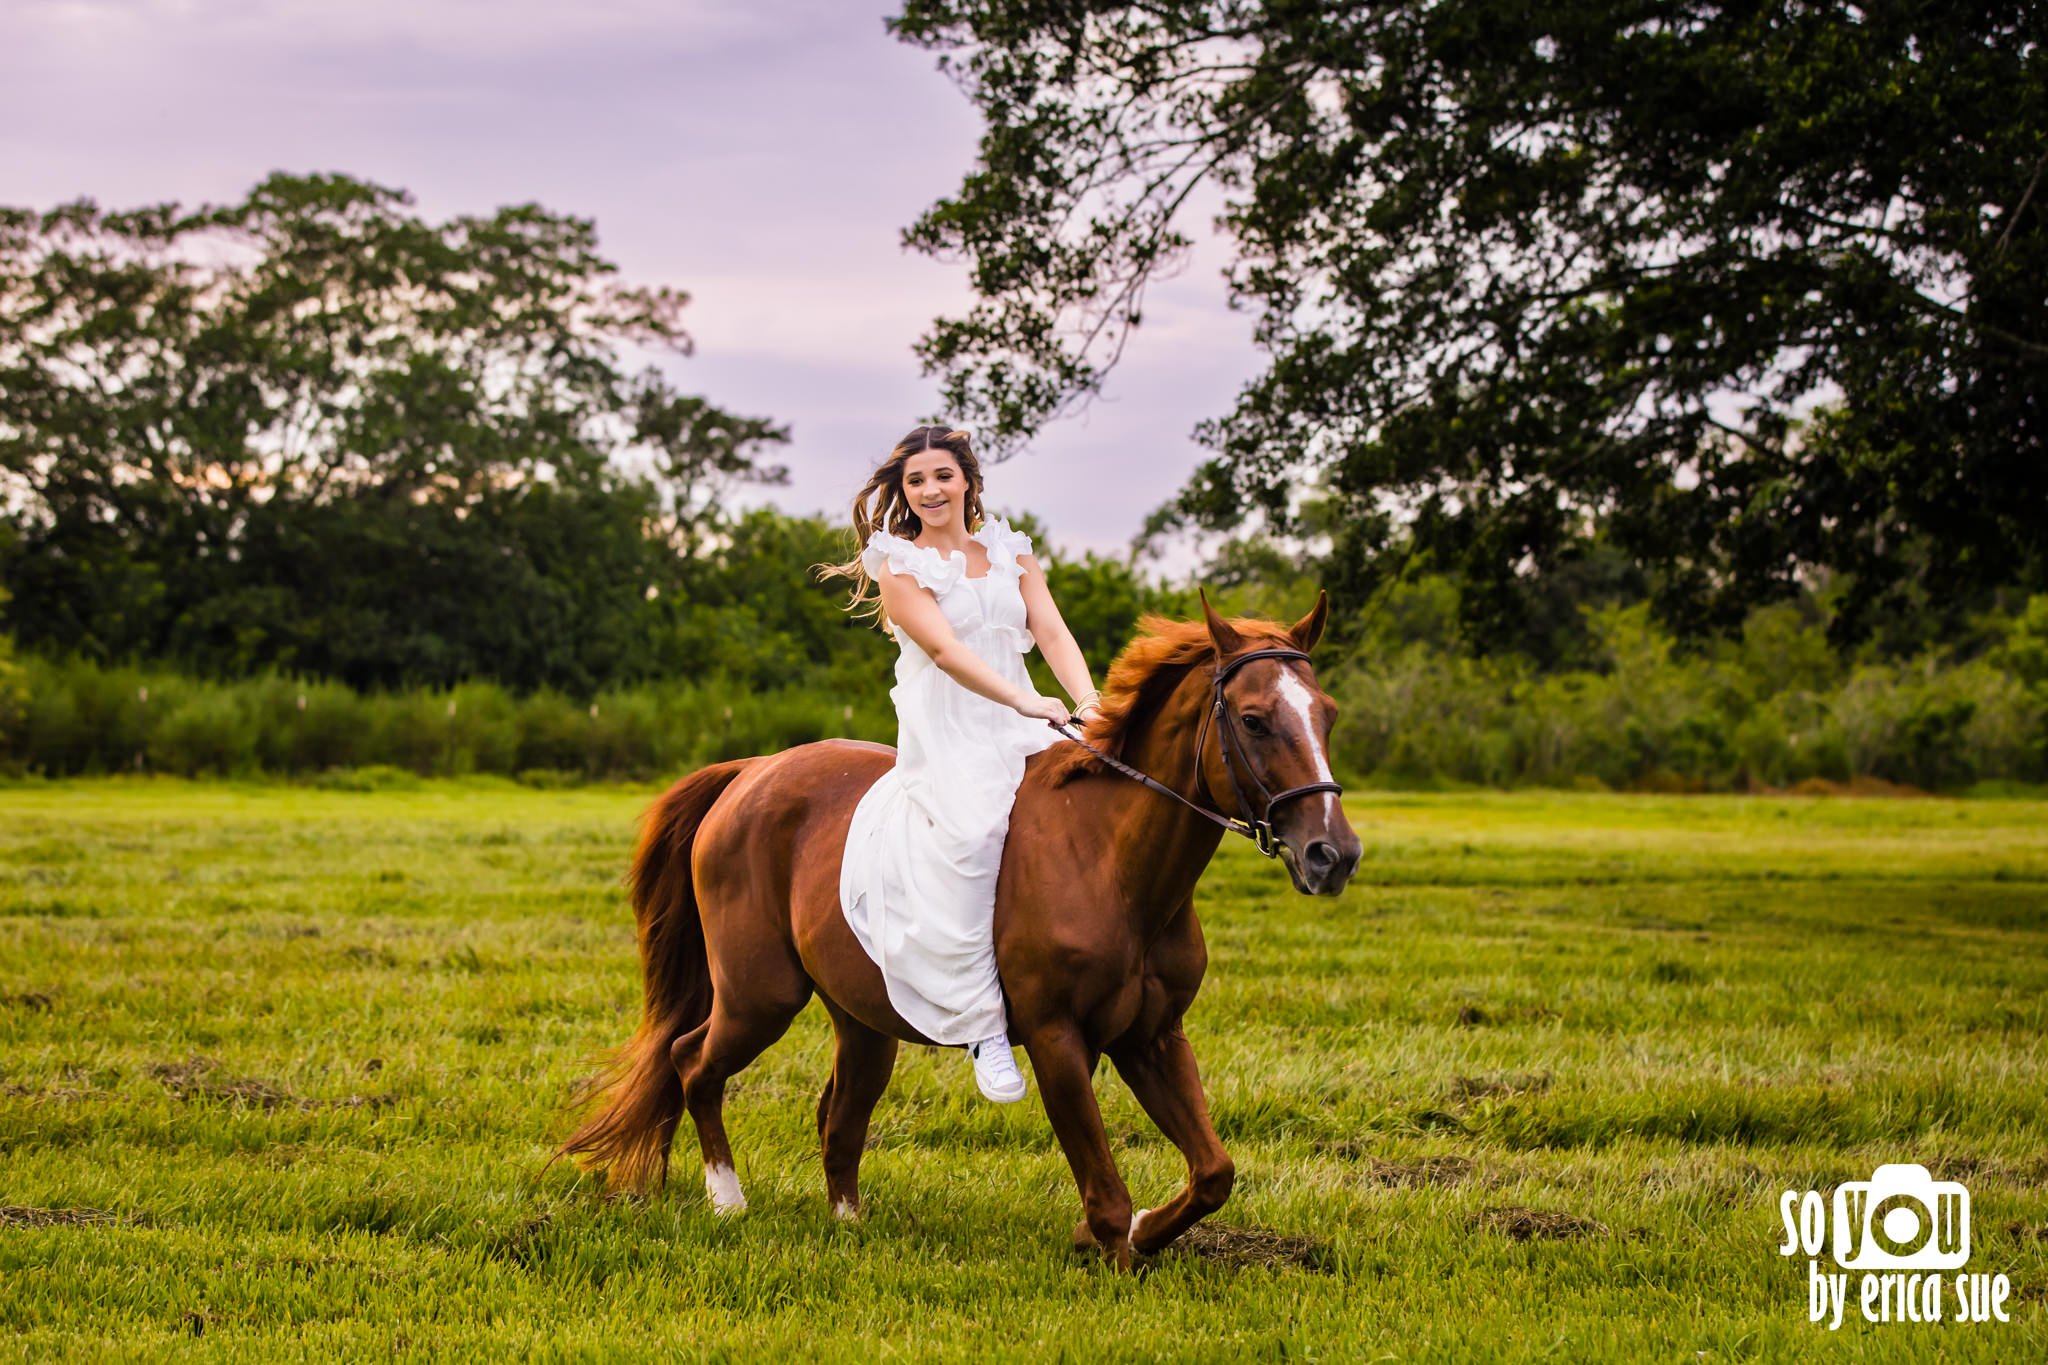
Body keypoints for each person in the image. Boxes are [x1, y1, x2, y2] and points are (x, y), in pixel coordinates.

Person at [817, 425, 1102, 1102]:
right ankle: (984, 1025)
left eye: (942, 475)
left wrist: (1090, 701)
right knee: (974, 835)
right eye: (915, 481)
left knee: (1091, 809)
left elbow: (1052, 630)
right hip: (952, 728)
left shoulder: (1011, 550)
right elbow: (945, 653)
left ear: (968, 479)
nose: (929, 490)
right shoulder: (900, 565)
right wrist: (1025, 698)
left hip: (1030, 718)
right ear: (903, 492)